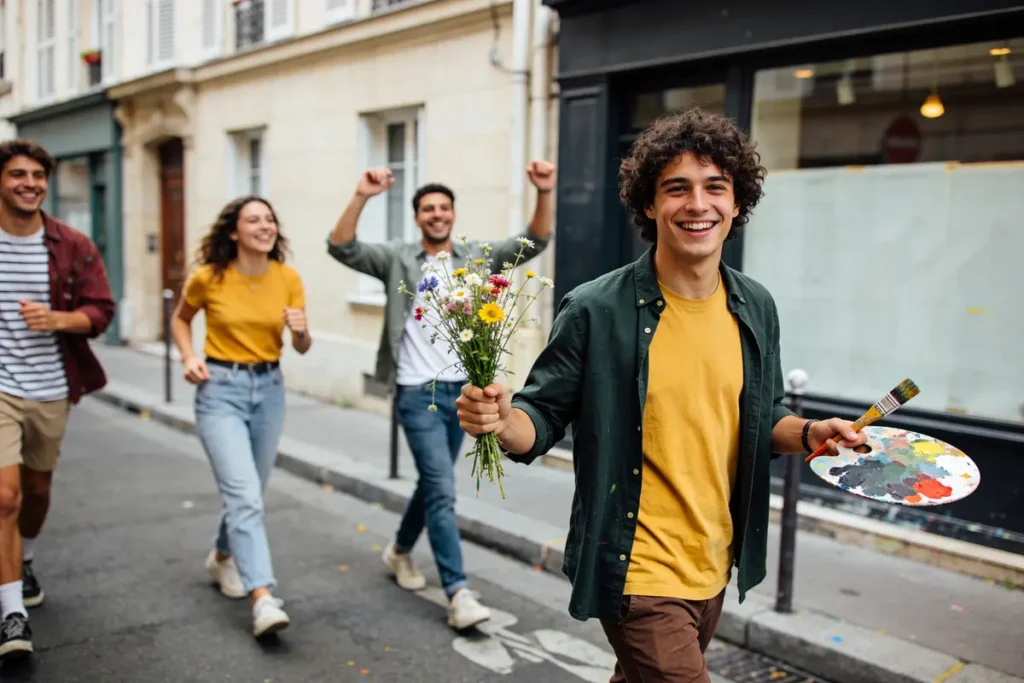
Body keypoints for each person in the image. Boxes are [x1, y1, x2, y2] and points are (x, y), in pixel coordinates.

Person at [454, 109, 869, 682]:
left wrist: (808, 433)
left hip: (712, 563)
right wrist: (499, 419)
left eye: (714, 188)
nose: (698, 204)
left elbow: (763, 412)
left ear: (736, 203)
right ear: (650, 205)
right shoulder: (597, 308)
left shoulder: (756, 305)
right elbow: (541, 416)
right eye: (677, 189)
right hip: (637, 567)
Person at [326, 162, 555, 629]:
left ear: (452, 214)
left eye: (443, 208)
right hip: (415, 392)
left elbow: (535, 240)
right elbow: (341, 247)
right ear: (417, 218)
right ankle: (459, 591)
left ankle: (400, 551)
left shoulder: (474, 256)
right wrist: (361, 195)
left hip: (463, 395)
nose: (436, 214)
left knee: (432, 483)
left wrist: (545, 191)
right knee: (443, 491)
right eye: (428, 208)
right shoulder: (397, 258)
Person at [171, 196, 311, 639]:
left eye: (270, 218)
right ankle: (263, 597)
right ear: (234, 231)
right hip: (220, 391)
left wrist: (301, 329)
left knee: (251, 491)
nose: (265, 225)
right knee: (246, 495)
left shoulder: (288, 278)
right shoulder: (208, 277)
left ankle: (222, 555)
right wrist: (189, 356)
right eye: (254, 219)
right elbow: (180, 320)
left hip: (269, 390)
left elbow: (302, 346)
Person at [0, 140, 115, 658]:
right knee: (5, 498)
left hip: (50, 387)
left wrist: (58, 320)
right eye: (18, 174)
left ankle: (23, 559)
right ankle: (12, 617)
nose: (30, 183)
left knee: (37, 492)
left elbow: (101, 310)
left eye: (38, 175)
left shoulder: (71, 244)